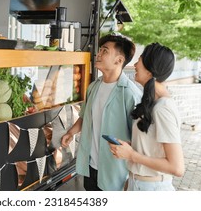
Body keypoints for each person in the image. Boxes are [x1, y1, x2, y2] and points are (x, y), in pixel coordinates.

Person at [61, 33, 142, 191]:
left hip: (116, 172)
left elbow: (140, 138)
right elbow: (85, 117)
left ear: (119, 60)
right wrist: (71, 133)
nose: (98, 54)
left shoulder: (131, 94)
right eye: (100, 50)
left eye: (105, 51)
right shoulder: (93, 87)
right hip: (90, 167)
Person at [109, 43, 185, 191]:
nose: (135, 64)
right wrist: (132, 148)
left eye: (140, 59)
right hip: (138, 183)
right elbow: (154, 148)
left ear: (150, 70)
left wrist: (132, 155)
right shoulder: (153, 102)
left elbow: (177, 167)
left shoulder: (163, 109)